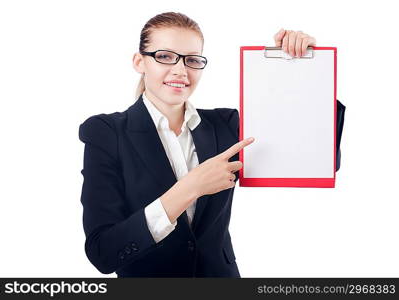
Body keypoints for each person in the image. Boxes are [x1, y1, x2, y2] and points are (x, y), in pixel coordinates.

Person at [78, 12, 346, 277]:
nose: (181, 70)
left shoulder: (225, 125)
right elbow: (104, 252)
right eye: (165, 56)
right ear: (140, 62)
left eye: (192, 60)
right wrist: (191, 187)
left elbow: (316, 161)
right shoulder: (106, 133)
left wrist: (302, 69)